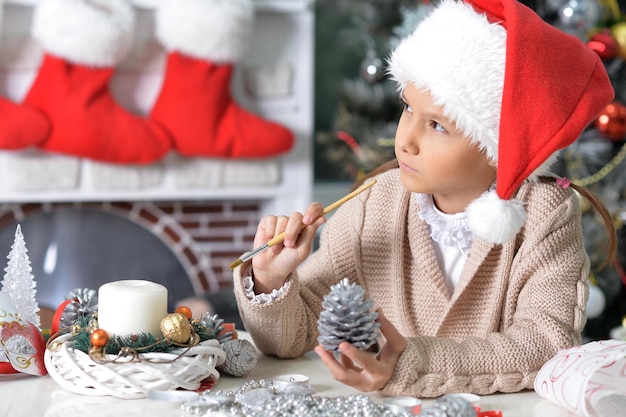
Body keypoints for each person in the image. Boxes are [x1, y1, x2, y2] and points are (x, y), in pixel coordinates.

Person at [232, 0, 618, 398]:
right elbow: (293, 336)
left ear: (498, 148)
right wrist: (271, 280)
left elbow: (545, 343)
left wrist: (411, 363)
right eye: (407, 109)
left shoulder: (543, 216)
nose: (406, 140)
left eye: (437, 125)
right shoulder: (373, 205)